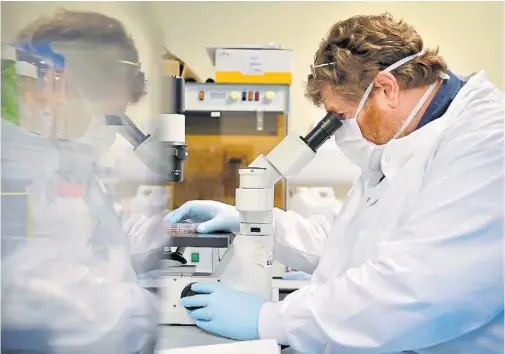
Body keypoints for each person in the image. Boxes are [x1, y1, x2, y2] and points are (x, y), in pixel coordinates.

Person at [168, 13, 504, 353]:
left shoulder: (488, 142)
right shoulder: (412, 140)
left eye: (342, 116)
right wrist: (255, 222)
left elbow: (421, 288)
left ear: (387, 89)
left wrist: (272, 320)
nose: (342, 131)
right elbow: (350, 237)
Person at [2, 10, 171, 354]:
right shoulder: (17, 173)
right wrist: (152, 312)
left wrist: (168, 232)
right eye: (109, 118)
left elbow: (106, 235)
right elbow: (56, 306)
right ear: (53, 84)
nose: (109, 132)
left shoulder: (63, 159)